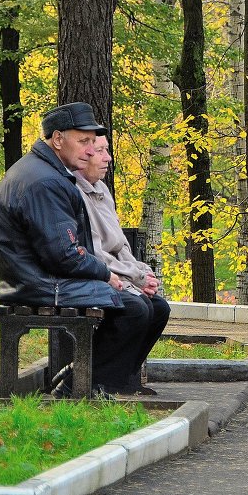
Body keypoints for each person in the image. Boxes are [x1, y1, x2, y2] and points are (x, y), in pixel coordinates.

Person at [0, 101, 155, 398]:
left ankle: (92, 381)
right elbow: (63, 254)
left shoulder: (46, 172)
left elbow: (66, 250)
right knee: (133, 309)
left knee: (147, 306)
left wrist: (111, 274)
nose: (92, 151)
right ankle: (75, 387)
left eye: (93, 142)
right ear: (57, 139)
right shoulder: (44, 182)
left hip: (36, 277)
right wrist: (105, 274)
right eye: (84, 142)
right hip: (35, 284)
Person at [73, 133, 169, 395]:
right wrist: (135, 279)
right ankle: (91, 380)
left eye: (107, 150)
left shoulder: (102, 190)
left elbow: (120, 246)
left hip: (116, 273)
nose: (108, 158)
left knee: (159, 307)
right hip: (90, 276)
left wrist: (141, 273)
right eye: (101, 151)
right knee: (136, 308)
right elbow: (94, 253)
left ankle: (123, 378)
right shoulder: (75, 193)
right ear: (84, 156)